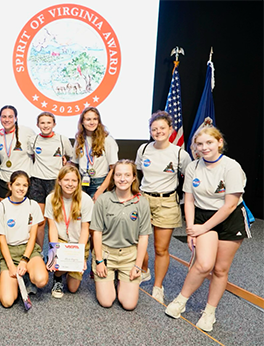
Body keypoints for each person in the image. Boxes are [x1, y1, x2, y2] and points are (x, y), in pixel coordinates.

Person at [165, 126, 250, 332]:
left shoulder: (231, 167)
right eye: (200, 144)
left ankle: (209, 311)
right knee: (203, 264)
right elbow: (189, 200)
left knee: (220, 269)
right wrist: (192, 229)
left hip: (229, 219)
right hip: (202, 216)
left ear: (219, 142)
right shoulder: (193, 167)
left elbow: (230, 205)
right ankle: (180, 300)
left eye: (209, 143)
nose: (204, 148)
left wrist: (202, 228)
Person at [135, 110, 192, 302]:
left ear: (170, 129)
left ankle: (158, 286)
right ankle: (144, 270)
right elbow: (137, 174)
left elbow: (189, 180)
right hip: (143, 200)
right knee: (135, 242)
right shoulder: (143, 150)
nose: (158, 132)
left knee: (161, 248)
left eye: (162, 128)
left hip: (166, 203)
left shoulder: (179, 154)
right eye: (154, 129)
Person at [90, 159, 151, 310]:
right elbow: (96, 232)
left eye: (127, 175)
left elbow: (143, 237)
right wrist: (99, 261)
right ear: (113, 177)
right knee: (106, 302)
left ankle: (121, 281)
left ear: (134, 178)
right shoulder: (103, 200)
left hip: (129, 256)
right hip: (105, 254)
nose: (122, 179)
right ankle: (111, 281)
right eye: (118, 175)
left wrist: (138, 265)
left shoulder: (142, 202)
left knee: (129, 305)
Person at [0, 171, 48, 307]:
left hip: (28, 250)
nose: (21, 188)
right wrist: (11, 265)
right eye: (17, 184)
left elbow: (33, 237)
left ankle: (27, 273)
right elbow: (2, 241)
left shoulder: (32, 205)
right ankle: (17, 279)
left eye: (25, 185)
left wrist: (24, 260)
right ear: (10, 186)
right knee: (7, 301)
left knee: (41, 280)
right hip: (9, 251)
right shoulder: (1, 207)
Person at [45, 165, 93, 298]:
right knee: (58, 266)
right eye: (66, 180)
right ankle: (58, 277)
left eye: (74, 180)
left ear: (78, 182)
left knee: (73, 288)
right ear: (59, 181)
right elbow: (52, 228)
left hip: (78, 243)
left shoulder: (86, 200)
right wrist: (53, 254)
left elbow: (85, 229)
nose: (70, 184)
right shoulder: (51, 199)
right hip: (61, 240)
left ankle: (65, 268)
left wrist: (80, 255)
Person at [27, 111, 73, 249]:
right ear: (37, 124)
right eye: (42, 122)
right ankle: (39, 252)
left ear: (54, 124)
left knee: (55, 220)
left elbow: (69, 157)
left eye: (48, 122)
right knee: (39, 221)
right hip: (37, 182)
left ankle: (58, 253)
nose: (45, 125)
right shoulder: (33, 140)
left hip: (55, 182)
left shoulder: (62, 139)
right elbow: (31, 155)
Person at [72, 106, 118, 200]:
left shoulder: (107, 140)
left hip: (99, 183)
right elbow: (74, 163)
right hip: (82, 182)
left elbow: (113, 169)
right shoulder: (79, 139)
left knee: (95, 213)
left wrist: (101, 190)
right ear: (82, 122)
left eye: (95, 119)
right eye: (88, 119)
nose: (92, 122)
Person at [0, 105, 35, 201]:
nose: (7, 120)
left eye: (10, 117)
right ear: (0, 118)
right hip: (4, 180)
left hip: (22, 183)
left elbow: (39, 147)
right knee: (5, 213)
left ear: (16, 118)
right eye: (4, 117)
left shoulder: (26, 132)